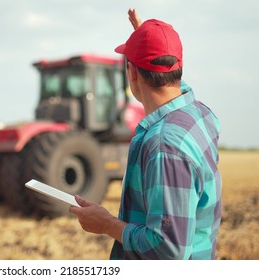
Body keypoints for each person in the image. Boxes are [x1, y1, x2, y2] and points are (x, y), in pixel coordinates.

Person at [69, 9, 222, 260]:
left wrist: (107, 224)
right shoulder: (200, 114)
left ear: (132, 73)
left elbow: (169, 251)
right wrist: (150, 44)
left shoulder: (164, 146)